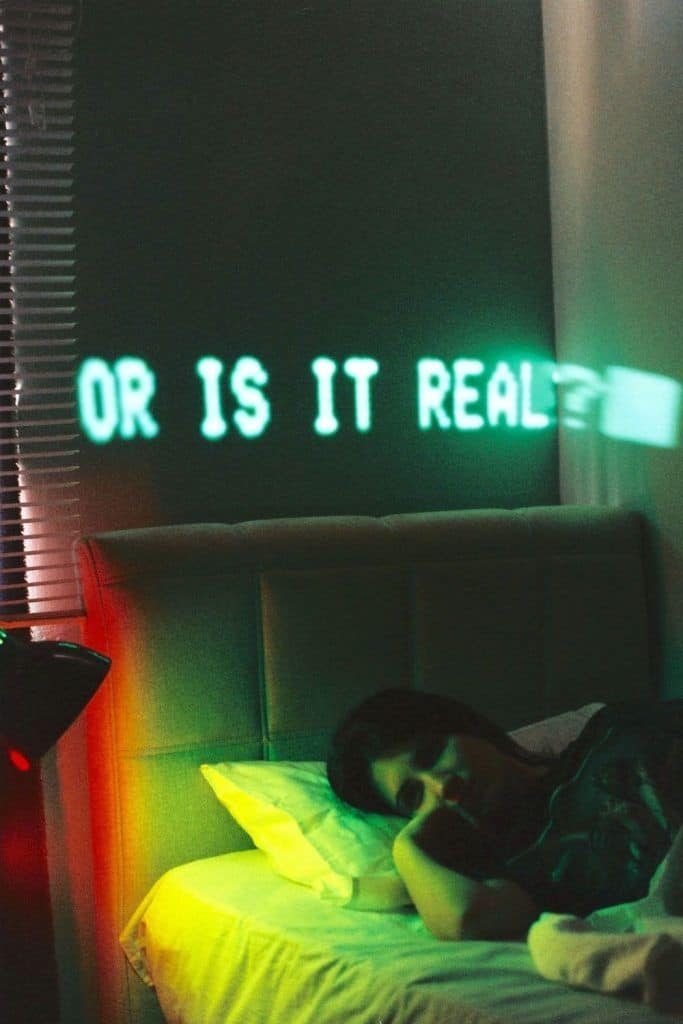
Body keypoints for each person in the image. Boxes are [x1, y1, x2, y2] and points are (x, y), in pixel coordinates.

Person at [326, 688, 683, 942]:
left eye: (433, 753)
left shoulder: (612, 729)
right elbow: (465, 917)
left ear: (465, 727)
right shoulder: (521, 861)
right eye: (413, 796)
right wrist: (407, 848)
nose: (442, 786)